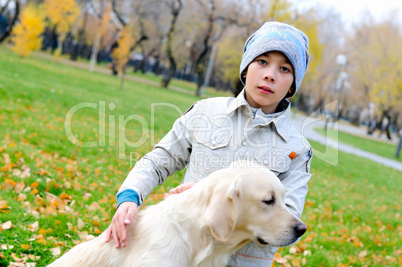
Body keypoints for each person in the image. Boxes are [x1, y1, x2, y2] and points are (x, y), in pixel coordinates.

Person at [105, 21, 313, 266]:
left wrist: (212, 202)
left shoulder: (297, 149)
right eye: (262, 61)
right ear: (246, 68)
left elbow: (286, 217)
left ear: (292, 85)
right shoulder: (205, 113)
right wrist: (130, 196)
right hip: (182, 254)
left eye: (285, 69)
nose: (270, 74)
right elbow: (158, 162)